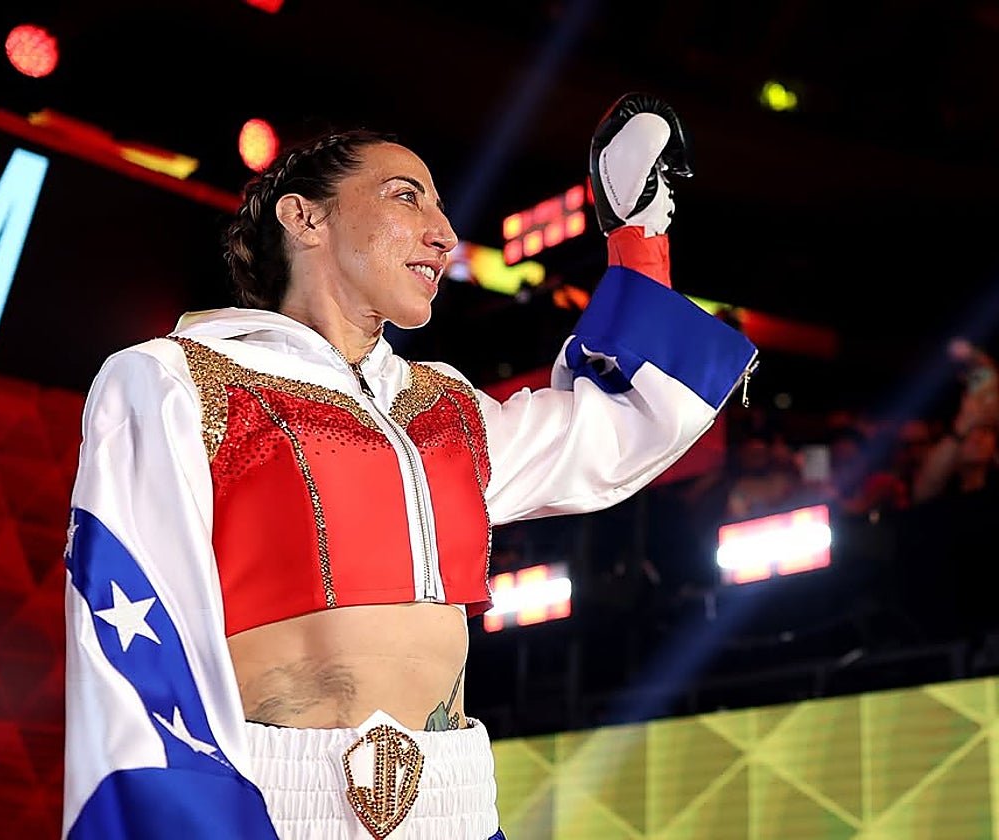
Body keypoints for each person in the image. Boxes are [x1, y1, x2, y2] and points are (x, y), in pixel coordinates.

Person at [60, 93, 758, 839]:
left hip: (455, 802)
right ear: (305, 218)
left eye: (442, 208)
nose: (445, 233)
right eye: (406, 196)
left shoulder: (447, 405)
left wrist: (637, 238)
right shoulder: (175, 377)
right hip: (272, 801)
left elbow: (616, 428)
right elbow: (129, 614)